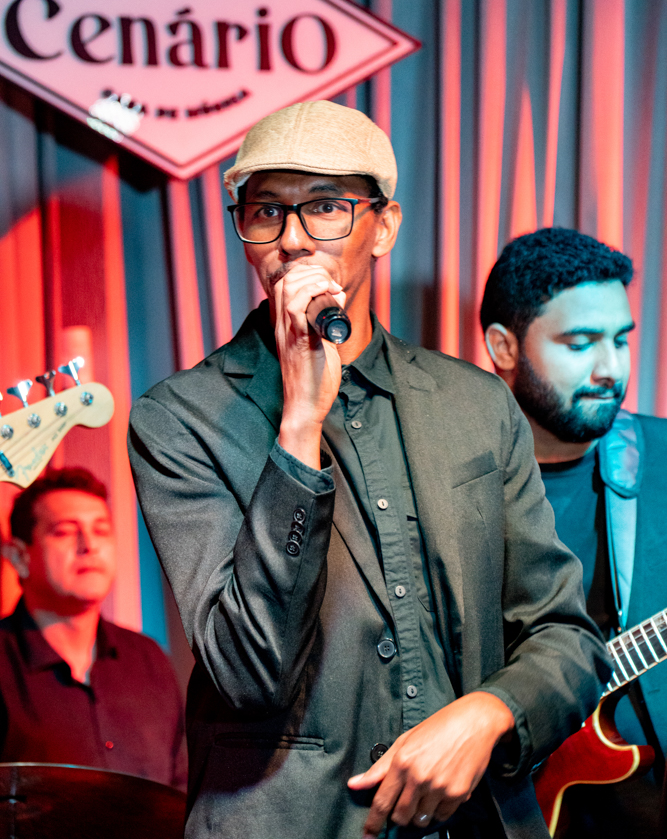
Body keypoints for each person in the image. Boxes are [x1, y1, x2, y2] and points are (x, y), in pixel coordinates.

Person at [128, 100, 609, 839]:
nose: (292, 239)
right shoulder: (179, 419)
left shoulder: (475, 403)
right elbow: (250, 672)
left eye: (325, 207)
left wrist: (491, 712)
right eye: (265, 212)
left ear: (383, 227)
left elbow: (564, 635)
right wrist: (299, 423)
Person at [481, 227, 667, 838]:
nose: (610, 368)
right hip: (506, 808)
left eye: (621, 340)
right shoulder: (454, 484)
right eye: (581, 343)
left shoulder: (662, 458)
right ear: (503, 346)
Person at [0, 466, 187, 789]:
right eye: (63, 531)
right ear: (19, 556)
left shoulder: (149, 661)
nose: (88, 545)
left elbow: (181, 790)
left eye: (101, 531)